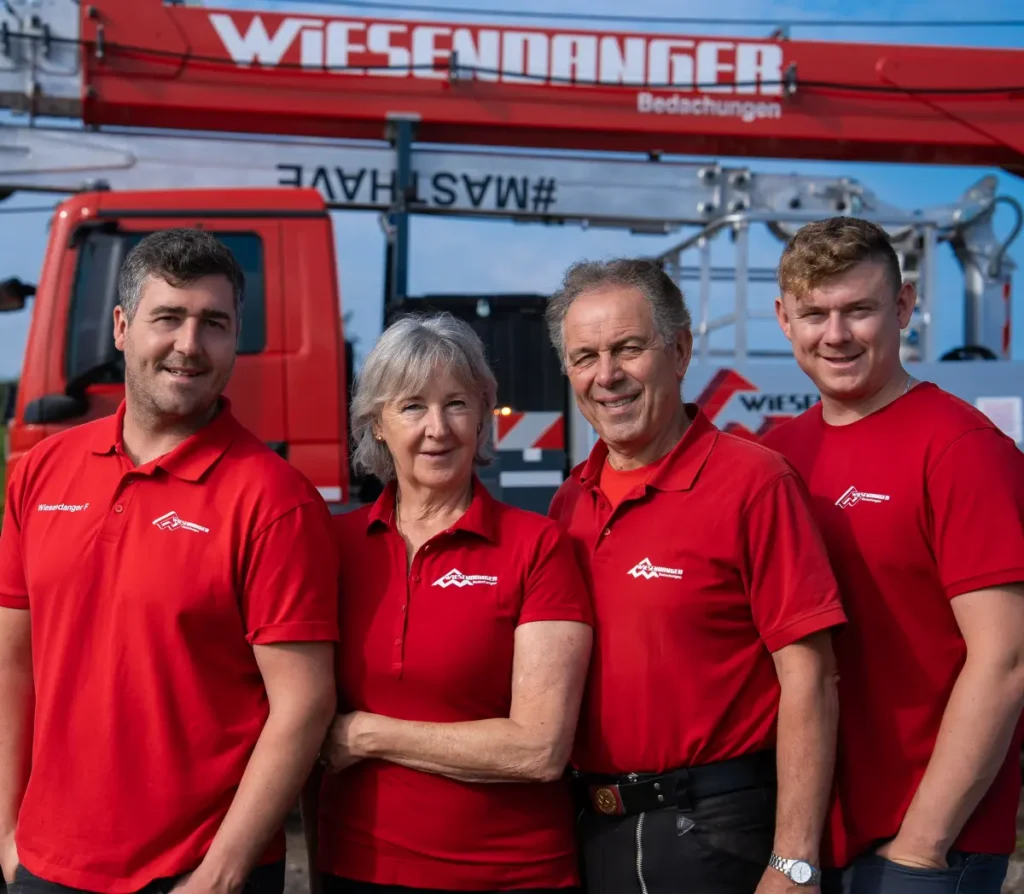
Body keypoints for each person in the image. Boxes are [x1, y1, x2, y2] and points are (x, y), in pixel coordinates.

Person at [0, 229, 339, 894]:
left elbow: (303, 704)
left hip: (196, 875)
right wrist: (7, 832)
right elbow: (12, 663)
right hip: (45, 865)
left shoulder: (276, 500)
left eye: (213, 323)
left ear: (235, 336)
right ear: (123, 328)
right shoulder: (41, 473)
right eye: (169, 318)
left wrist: (222, 872)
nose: (189, 345)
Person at [543, 258, 848, 894]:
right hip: (595, 828)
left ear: (680, 351)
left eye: (628, 348)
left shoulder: (754, 483)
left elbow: (810, 677)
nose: (607, 376)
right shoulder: (570, 499)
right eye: (584, 357)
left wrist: (793, 861)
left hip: (715, 830)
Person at [762, 216, 1024, 894]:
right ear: (783, 319)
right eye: (814, 313)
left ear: (903, 308)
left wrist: (923, 844)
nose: (837, 334)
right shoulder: (777, 456)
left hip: (926, 846)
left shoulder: (962, 450)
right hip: (808, 836)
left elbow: (1007, 659)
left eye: (860, 310)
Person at [304, 313, 594, 894]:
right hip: (355, 869)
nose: (437, 428)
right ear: (378, 424)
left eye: (457, 404)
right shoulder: (332, 548)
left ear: (484, 415)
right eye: (412, 406)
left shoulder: (537, 549)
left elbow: (539, 748)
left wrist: (367, 735)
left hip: (508, 875)